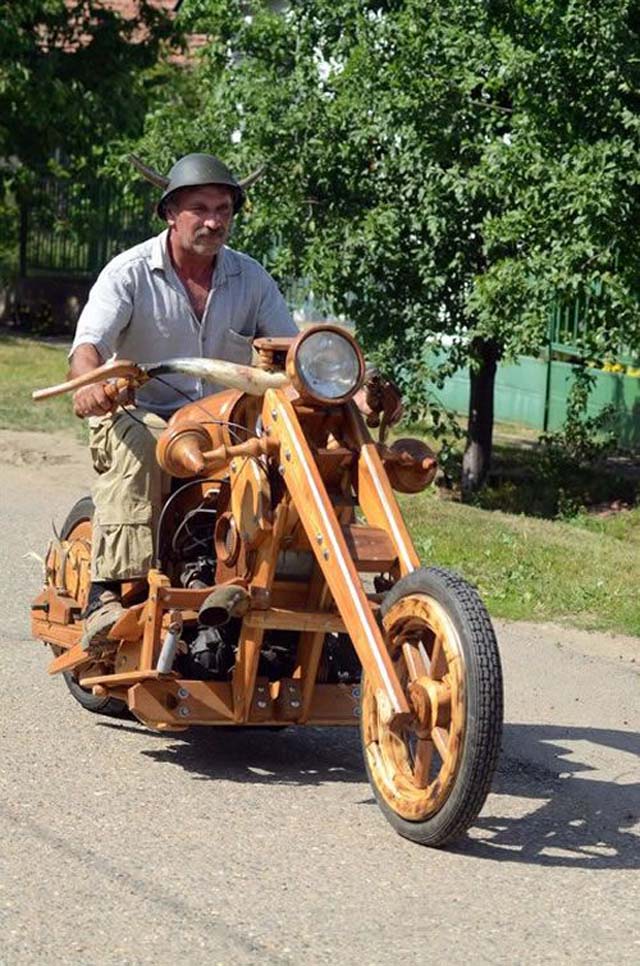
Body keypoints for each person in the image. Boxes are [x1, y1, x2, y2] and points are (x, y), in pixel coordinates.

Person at [69, 153, 298, 653]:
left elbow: (290, 351)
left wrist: (351, 383)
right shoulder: (129, 273)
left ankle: (273, 590)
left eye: (224, 209)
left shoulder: (251, 278)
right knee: (145, 447)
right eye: (201, 208)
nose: (215, 221)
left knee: (290, 466)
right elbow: (87, 346)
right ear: (171, 212)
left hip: (224, 426)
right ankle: (106, 595)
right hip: (137, 411)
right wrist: (89, 382)